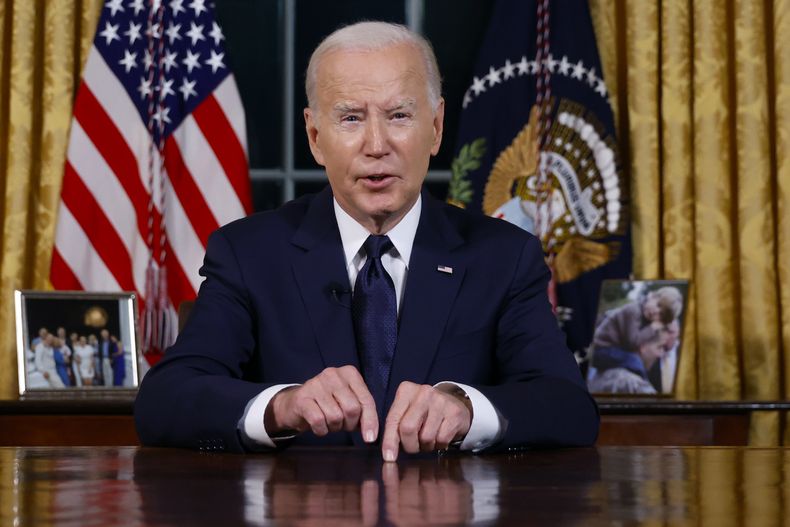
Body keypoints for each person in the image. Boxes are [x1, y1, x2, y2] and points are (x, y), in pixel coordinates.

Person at [135, 21, 598, 458]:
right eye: (351, 118)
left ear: (435, 128)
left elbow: (568, 407)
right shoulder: (250, 254)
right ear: (315, 136)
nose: (377, 144)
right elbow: (165, 399)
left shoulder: (503, 256)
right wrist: (283, 406)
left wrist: (467, 409)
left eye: (398, 115)